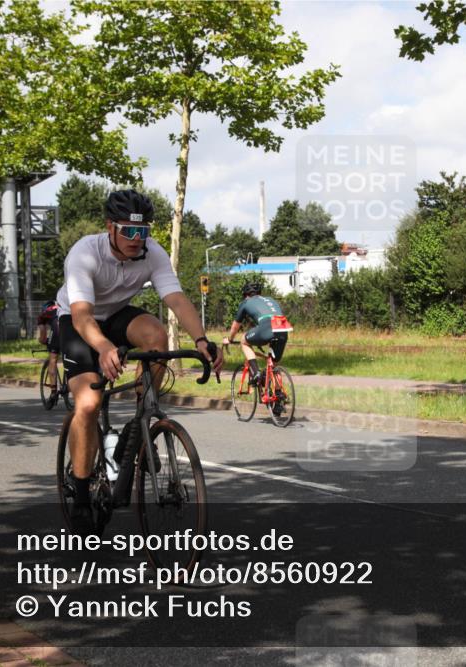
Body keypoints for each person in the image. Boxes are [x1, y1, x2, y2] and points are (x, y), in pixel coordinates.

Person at [56, 189, 223, 534]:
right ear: (109, 227)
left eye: (142, 231)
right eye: (128, 231)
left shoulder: (153, 253)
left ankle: (141, 418)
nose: (136, 239)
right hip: (77, 320)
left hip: (116, 314)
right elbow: (83, 315)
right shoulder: (85, 253)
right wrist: (103, 348)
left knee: (156, 337)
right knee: (87, 403)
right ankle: (83, 494)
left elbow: (175, 298)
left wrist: (202, 340)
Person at [222, 282, 290, 390]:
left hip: (266, 327)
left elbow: (235, 327)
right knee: (274, 365)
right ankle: (278, 397)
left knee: (244, 341)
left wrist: (230, 339)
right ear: (259, 293)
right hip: (283, 328)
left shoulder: (246, 302)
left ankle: (256, 373)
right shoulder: (271, 299)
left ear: (246, 295)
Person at [37, 300, 61, 407]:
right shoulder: (61, 306)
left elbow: (42, 335)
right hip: (70, 326)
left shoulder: (43, 314)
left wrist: (44, 341)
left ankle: (53, 392)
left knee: (53, 359)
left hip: (57, 329)